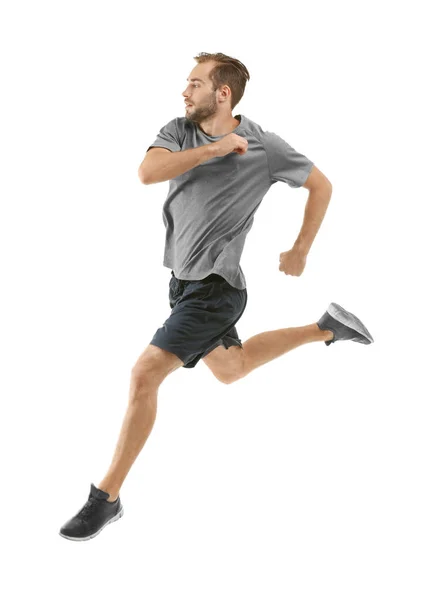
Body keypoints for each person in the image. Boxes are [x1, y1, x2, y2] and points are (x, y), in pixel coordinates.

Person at [59, 52, 374, 542]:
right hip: (183, 284)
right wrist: (214, 150)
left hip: (215, 291)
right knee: (233, 368)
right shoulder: (179, 131)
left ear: (221, 93)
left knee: (144, 375)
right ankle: (328, 327)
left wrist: (300, 249)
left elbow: (320, 185)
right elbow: (148, 172)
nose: (184, 92)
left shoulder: (264, 145)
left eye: (194, 83)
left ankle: (107, 498)